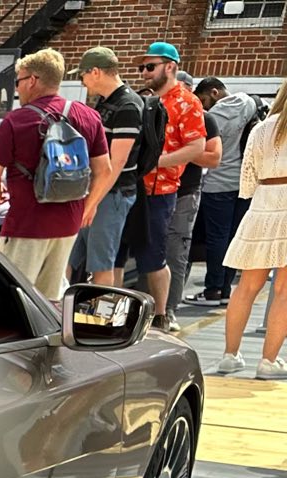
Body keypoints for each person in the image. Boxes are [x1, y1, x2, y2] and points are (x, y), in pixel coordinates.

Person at [0, 48, 108, 296]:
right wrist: (86, 208)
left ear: (32, 80)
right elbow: (104, 171)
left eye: (18, 81)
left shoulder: (16, 120)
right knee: (50, 301)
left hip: (26, 225)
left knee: (15, 297)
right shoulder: (89, 116)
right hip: (68, 225)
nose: (17, 89)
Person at [134, 41, 208, 331]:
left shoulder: (188, 102)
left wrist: (156, 162)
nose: (144, 72)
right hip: (132, 188)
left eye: (150, 66)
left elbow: (197, 147)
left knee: (154, 256)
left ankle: (161, 315)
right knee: (118, 255)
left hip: (161, 192)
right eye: (142, 67)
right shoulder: (142, 99)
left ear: (170, 67)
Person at [215, 81, 287, 375]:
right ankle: (268, 361)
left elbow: (248, 180)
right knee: (284, 291)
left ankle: (229, 355)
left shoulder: (261, 129)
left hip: (262, 205)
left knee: (246, 287)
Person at [71, 47, 141, 288]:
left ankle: (101, 311)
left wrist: (92, 203)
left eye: (83, 74)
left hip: (112, 194)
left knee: (101, 264)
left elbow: (116, 163)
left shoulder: (127, 105)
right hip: (97, 192)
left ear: (96, 72)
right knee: (69, 257)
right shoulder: (106, 101)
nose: (82, 81)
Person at [190, 78, 261, 305]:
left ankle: (213, 290)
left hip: (217, 183)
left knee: (216, 239)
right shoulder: (249, 103)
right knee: (233, 239)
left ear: (214, 92)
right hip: (244, 183)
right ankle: (225, 289)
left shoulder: (211, 118)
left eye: (203, 100)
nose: (203, 106)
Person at [168, 107, 222, 301]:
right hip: (150, 192)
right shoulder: (152, 109)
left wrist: (181, 150)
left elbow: (214, 158)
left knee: (176, 253)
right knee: (150, 254)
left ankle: (169, 308)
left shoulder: (204, 118)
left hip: (185, 192)